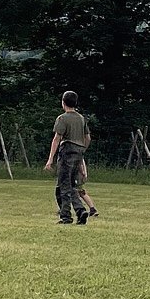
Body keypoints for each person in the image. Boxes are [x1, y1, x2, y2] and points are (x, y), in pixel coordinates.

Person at [44, 91, 91, 225]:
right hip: (79, 151)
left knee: (64, 185)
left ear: (63, 103)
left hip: (67, 150)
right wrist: (82, 150)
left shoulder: (62, 118)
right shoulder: (81, 118)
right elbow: (88, 138)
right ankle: (79, 211)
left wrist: (50, 159)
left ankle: (68, 215)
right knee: (71, 184)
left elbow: (57, 139)